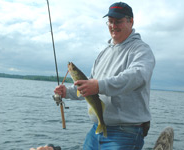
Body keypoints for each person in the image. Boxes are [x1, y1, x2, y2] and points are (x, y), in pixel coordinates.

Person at [32, 1, 155, 150]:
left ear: (131, 21)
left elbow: (137, 76)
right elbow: (89, 86)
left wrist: (98, 86)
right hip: (96, 130)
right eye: (110, 21)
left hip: (126, 132)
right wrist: (68, 92)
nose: (113, 25)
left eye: (119, 21)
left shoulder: (141, 50)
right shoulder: (104, 53)